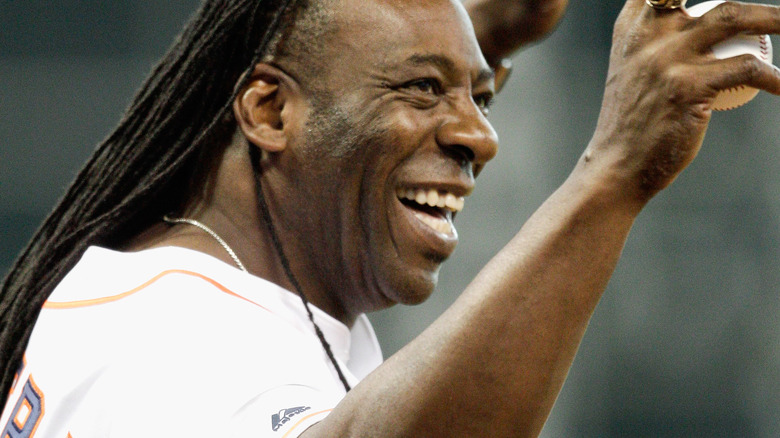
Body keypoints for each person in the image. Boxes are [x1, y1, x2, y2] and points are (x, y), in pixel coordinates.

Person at [1, 0, 779, 436]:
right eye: (423, 90)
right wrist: (610, 172)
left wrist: (487, 28)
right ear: (270, 110)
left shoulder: (186, 284)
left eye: (479, 93)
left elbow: (352, 63)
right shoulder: (166, 338)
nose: (481, 135)